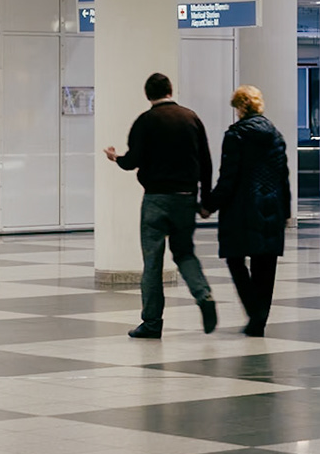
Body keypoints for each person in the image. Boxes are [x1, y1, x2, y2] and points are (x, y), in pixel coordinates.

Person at [104, 72, 217, 338]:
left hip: (155, 199)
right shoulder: (191, 118)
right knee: (185, 253)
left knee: (152, 261)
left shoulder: (145, 121)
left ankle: (152, 323)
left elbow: (133, 161)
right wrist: (206, 200)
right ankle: (204, 295)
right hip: (186, 197)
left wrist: (115, 158)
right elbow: (206, 161)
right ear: (170, 89)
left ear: (148, 95)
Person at [206, 85, 291, 336]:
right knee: (266, 264)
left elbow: (228, 177)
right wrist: (286, 210)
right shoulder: (276, 135)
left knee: (235, 259)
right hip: (272, 206)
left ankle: (255, 312)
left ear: (242, 107)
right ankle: (260, 319)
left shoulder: (235, 135)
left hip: (242, 209)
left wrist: (210, 205)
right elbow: (283, 177)